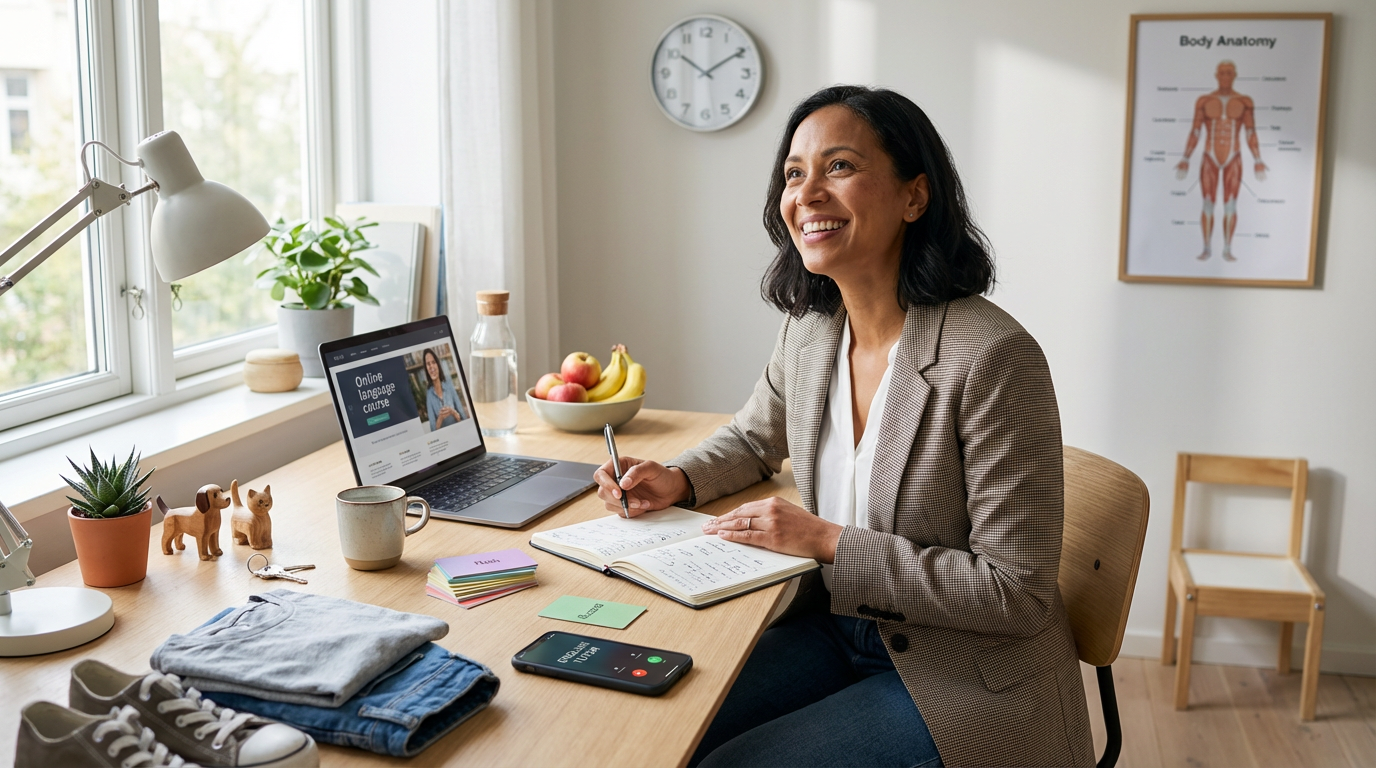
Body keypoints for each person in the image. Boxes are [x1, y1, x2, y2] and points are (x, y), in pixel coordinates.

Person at [593, 86, 1093, 767]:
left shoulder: (993, 357)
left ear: (914, 197)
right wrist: (677, 478)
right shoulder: (811, 329)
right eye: (794, 174)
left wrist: (827, 541)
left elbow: (1016, 593)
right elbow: (751, 438)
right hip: (839, 628)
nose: (808, 192)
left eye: (840, 167)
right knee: (660, 728)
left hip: (964, 671)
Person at [1175, 59, 1267, 262]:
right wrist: (1185, 158)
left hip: (1233, 157)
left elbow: (1251, 132)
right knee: (1207, 203)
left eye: (1229, 73)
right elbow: (1195, 131)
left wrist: (1258, 159)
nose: (1225, 76)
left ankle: (1227, 248)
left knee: (1230, 205)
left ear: (1235, 76)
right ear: (1216, 76)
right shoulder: (1204, 101)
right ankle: (1207, 247)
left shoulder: (1245, 102)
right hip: (1210, 157)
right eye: (1222, 73)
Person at [422, 348, 465, 430]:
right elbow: (433, 429)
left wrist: (453, 412)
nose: (431, 367)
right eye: (428, 364)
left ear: (438, 365)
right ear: (426, 369)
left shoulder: (449, 385)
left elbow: (462, 417)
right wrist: (440, 418)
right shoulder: (429, 394)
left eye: (433, 362)